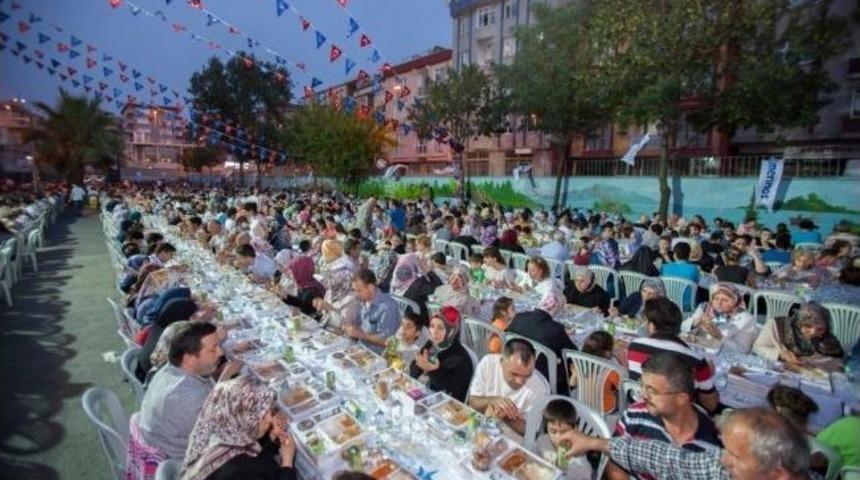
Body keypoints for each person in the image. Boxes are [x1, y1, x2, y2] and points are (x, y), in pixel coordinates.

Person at [559, 407, 814, 480]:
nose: (723, 458)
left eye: (734, 456)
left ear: (778, 474)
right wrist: (594, 442)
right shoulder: (723, 471)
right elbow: (669, 459)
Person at [607, 352, 722, 480]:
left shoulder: (713, 445)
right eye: (642, 386)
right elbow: (614, 462)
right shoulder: (634, 415)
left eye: (651, 390)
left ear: (680, 398)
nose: (643, 395)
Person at [137, 322, 226, 460]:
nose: (221, 352)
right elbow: (228, 430)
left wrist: (225, 373)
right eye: (213, 349)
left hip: (165, 443)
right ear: (190, 360)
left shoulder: (169, 369)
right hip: (182, 463)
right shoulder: (190, 396)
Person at [180, 375, 296, 480]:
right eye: (263, 414)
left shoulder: (223, 433)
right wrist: (287, 462)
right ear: (244, 417)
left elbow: (254, 453)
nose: (270, 420)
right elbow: (253, 465)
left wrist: (271, 437)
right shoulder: (240, 471)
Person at [626, 297, 720, 413]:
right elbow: (710, 404)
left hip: (637, 411)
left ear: (652, 325)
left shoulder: (635, 346)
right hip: (676, 420)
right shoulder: (696, 360)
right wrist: (708, 375)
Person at [467, 339, 551, 435]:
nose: (519, 381)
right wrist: (491, 401)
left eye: (527, 376)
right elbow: (472, 402)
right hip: (478, 429)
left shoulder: (539, 387)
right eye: (514, 374)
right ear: (502, 362)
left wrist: (506, 415)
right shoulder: (488, 363)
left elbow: (530, 433)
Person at [507, 293, 577, 395]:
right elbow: (572, 354)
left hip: (515, 367)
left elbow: (507, 337)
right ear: (556, 310)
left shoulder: (519, 317)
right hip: (541, 377)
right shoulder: (556, 329)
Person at [409, 306, 474, 402]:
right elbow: (413, 371)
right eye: (432, 326)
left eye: (441, 328)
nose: (434, 332)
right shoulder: (432, 344)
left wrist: (432, 371)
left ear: (451, 331)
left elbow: (453, 394)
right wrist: (419, 366)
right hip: (424, 396)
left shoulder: (461, 359)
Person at [753, 302, 844, 369]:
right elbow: (757, 347)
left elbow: (837, 365)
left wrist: (810, 364)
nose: (813, 332)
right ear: (798, 323)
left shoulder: (827, 342)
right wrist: (780, 354)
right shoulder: (776, 326)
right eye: (807, 326)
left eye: (820, 329)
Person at [682, 283, 757, 354]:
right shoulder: (705, 308)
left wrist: (720, 337)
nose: (719, 303)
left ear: (735, 301)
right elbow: (682, 327)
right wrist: (695, 322)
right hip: (696, 349)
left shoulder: (746, 319)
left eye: (725, 300)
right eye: (716, 299)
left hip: (722, 358)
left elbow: (743, 350)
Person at [533, 399, 594, 479]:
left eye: (564, 432)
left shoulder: (579, 463)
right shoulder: (542, 441)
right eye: (553, 431)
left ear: (575, 429)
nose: (558, 438)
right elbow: (533, 460)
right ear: (546, 428)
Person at [345, 269, 400, 354]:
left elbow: (387, 341)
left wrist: (361, 334)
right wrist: (351, 327)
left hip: (377, 355)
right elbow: (361, 324)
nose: (356, 294)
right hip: (361, 348)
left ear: (371, 287)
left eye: (359, 290)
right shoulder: (365, 300)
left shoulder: (387, 307)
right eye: (354, 290)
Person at [569, 331, 621, 414]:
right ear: (607, 352)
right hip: (605, 408)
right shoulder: (611, 368)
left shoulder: (579, 362)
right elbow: (621, 387)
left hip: (583, 404)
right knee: (620, 396)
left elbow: (572, 383)